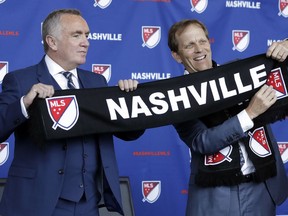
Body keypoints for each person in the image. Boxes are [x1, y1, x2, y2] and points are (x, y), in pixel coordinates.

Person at [0, 9, 144, 216]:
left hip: (89, 204)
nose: (86, 42)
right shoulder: (20, 80)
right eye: (76, 35)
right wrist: (24, 102)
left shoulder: (97, 82)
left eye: (87, 35)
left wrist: (131, 104)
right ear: (52, 42)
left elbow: (130, 133)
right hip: (37, 202)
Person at [168, 19, 288, 216]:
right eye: (189, 45)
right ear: (177, 55)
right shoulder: (176, 95)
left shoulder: (241, 73)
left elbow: (281, 67)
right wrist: (250, 113)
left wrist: (286, 44)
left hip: (262, 189)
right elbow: (203, 142)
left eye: (202, 41)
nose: (199, 49)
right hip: (216, 196)